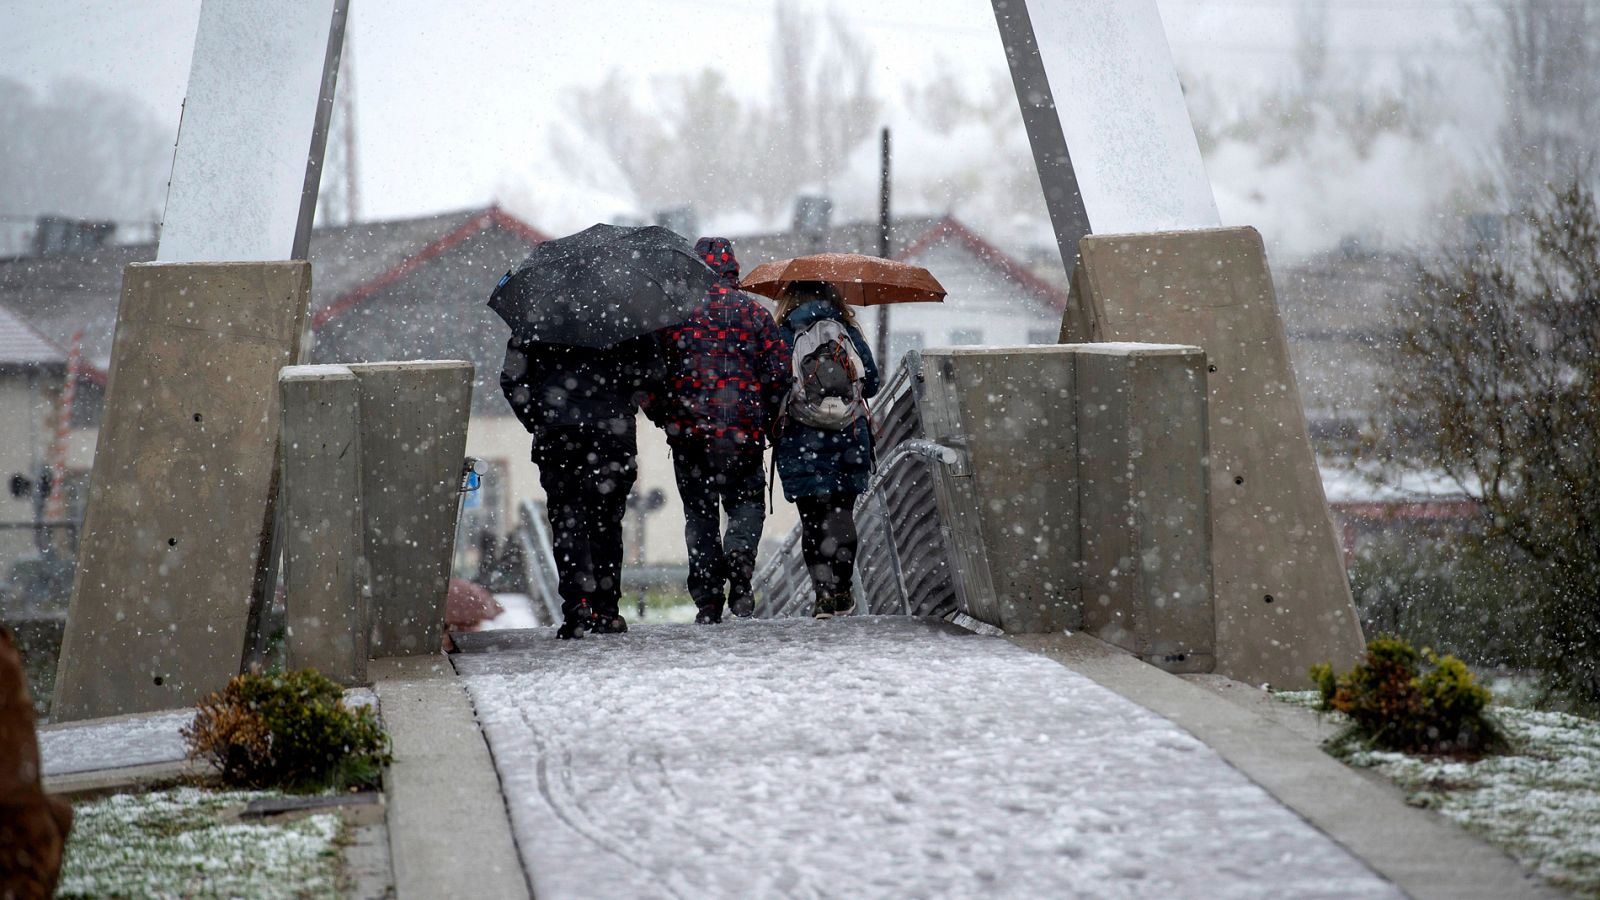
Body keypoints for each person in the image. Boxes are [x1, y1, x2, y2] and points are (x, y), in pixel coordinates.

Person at [649, 238, 790, 624]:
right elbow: (779, 374)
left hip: (690, 435)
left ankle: (708, 602)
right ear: (733, 271)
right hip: (743, 435)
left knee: (700, 515)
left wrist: (665, 415)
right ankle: (740, 559)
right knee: (746, 503)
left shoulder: (673, 317)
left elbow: (652, 375)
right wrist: (765, 416)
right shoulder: (755, 315)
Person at [500, 334, 659, 639]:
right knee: (607, 523)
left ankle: (577, 606)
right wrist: (622, 401)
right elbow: (652, 374)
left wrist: (539, 417)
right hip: (612, 432)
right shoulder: (628, 316)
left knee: (566, 520)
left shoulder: (534, 322)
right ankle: (606, 611)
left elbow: (511, 379)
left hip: (558, 434)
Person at [772, 281, 880, 619]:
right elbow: (872, 382)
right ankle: (843, 589)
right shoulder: (845, 331)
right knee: (841, 514)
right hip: (848, 436)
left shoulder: (785, 333)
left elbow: (774, 384)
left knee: (813, 521)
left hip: (802, 440)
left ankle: (823, 596)